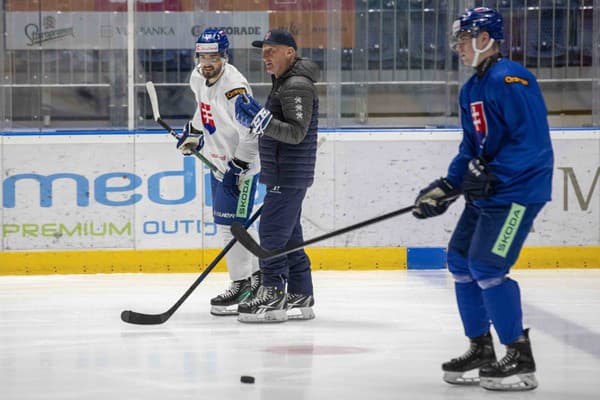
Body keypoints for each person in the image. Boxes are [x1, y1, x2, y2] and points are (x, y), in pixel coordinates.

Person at [412, 7, 553, 392]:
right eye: (457, 41)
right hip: (489, 193)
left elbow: (531, 144)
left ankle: (520, 358)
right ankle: (482, 349)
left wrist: (491, 176)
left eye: (462, 39)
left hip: (518, 192)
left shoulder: (512, 79)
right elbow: (470, 149)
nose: (457, 47)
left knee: (487, 267)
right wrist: (446, 186)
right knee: (459, 261)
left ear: (485, 38)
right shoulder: (472, 88)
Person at [233, 29, 320, 323]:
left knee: (271, 233)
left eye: (272, 51)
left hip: (289, 172)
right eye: (263, 51)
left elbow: (296, 133)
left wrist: (262, 121)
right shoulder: (284, 82)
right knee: (288, 235)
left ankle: (271, 292)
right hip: (283, 171)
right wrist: (263, 121)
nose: (265, 56)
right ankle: (300, 291)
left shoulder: (296, 84)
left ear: (290, 53)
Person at [176, 28, 261, 316]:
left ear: (224, 55)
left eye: (213, 56)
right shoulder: (198, 76)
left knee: (232, 227)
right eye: (203, 56)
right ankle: (258, 278)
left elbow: (252, 133)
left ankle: (242, 284)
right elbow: (203, 109)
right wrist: (194, 133)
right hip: (218, 163)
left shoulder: (235, 88)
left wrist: (239, 167)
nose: (207, 62)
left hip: (240, 169)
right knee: (236, 225)